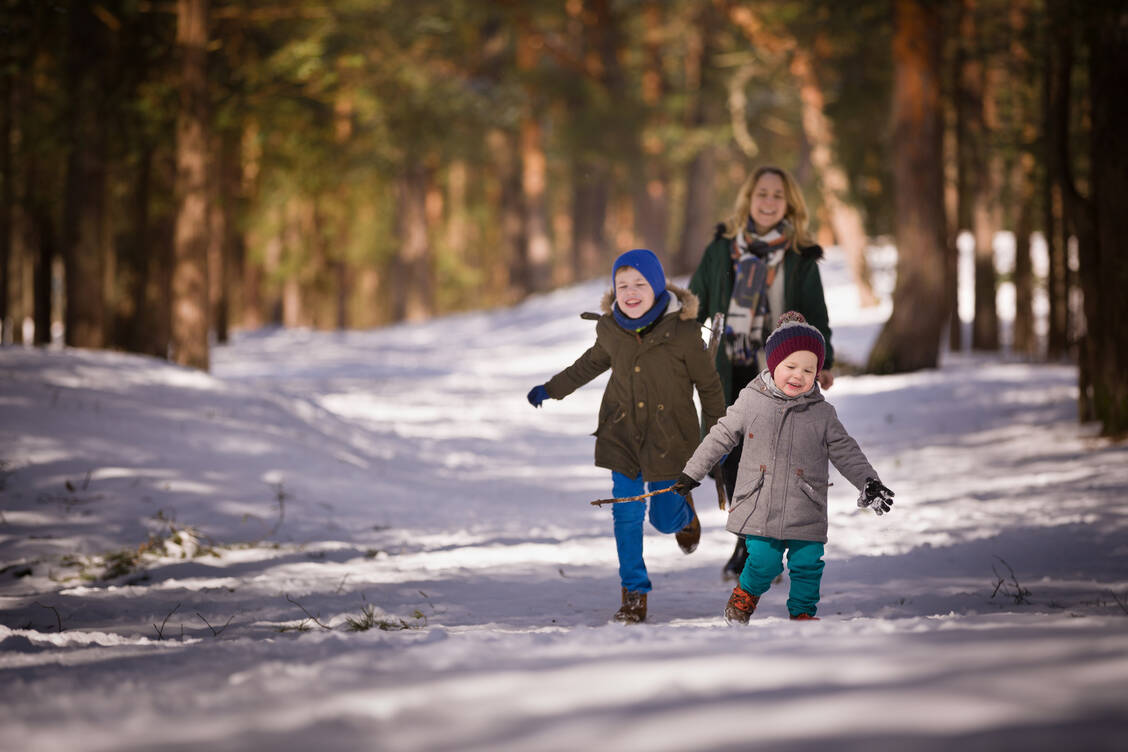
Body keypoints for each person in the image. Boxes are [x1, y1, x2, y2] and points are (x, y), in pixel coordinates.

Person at [527, 248, 726, 624]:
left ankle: (684, 517)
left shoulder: (683, 333)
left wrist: (716, 439)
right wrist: (551, 389)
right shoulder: (611, 330)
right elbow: (586, 366)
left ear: (656, 287)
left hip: (671, 439)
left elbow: (710, 388)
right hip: (623, 436)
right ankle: (634, 592)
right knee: (626, 515)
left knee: (663, 521)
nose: (630, 292)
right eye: (622, 285)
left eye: (640, 284)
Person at [671, 312, 893, 622]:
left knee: (808, 563)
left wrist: (869, 481)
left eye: (808, 369)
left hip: (806, 504)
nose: (798, 376)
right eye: (790, 367)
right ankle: (744, 597)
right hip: (761, 504)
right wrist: (692, 472)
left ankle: (803, 615)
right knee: (764, 562)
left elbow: (846, 451)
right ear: (773, 365)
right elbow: (720, 436)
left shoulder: (822, 414)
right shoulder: (751, 401)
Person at [688, 165, 837, 581]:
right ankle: (749, 539)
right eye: (762, 194)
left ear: (788, 203)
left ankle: (753, 547)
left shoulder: (800, 256)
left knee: (770, 457)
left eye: (777, 195)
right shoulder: (721, 250)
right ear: (748, 200)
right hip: (727, 366)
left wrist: (823, 362)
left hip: (777, 369)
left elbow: (817, 314)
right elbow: (695, 303)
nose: (768, 202)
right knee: (730, 453)